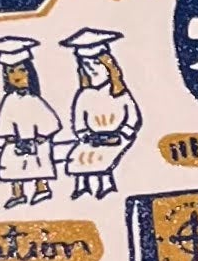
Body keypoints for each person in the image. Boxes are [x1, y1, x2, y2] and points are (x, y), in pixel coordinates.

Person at [60, 27, 142, 199]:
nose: (92, 70)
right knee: (79, 157)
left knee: (104, 158)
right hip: (93, 138)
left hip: (116, 136)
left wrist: (123, 132)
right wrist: (84, 135)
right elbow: (79, 120)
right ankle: (82, 185)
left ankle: (106, 184)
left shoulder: (119, 93)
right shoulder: (84, 95)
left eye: (97, 64)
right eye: (86, 66)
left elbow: (133, 116)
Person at [0, 37, 61, 207]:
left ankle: (41, 188)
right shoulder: (9, 100)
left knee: (39, 161)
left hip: (36, 141)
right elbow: (5, 121)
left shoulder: (34, 99)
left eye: (21, 70)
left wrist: (42, 135)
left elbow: (49, 121)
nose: (16, 76)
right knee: (12, 163)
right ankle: (17, 193)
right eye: (11, 72)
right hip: (17, 142)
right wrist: (10, 136)